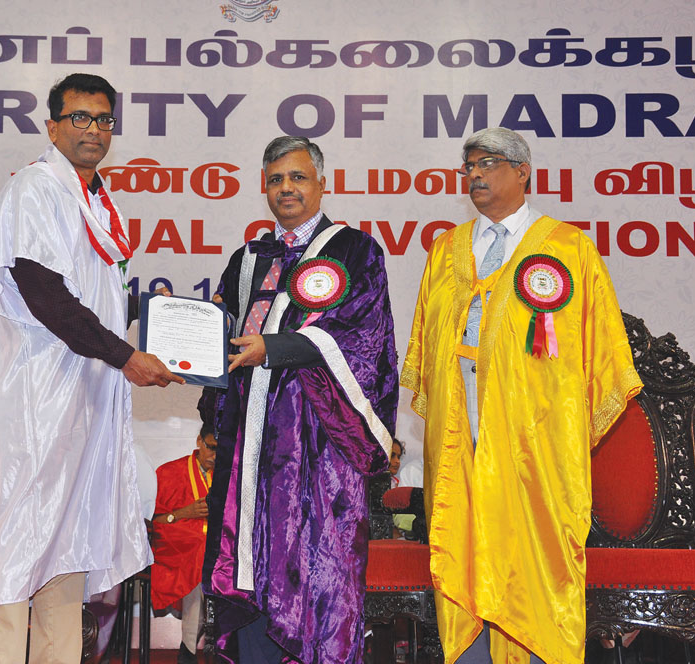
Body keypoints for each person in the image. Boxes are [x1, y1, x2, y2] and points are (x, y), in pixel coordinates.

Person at [401, 127, 642, 664]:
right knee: (462, 554)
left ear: (522, 171)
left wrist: (555, 435)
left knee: (536, 568)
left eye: (487, 163)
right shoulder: (445, 250)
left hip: (535, 451)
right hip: (462, 438)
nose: (475, 175)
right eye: (468, 166)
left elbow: (603, 361)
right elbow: (426, 348)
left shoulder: (568, 247)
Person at [0, 72, 182, 664]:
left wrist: (176, 326)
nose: (93, 130)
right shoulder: (35, 190)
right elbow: (43, 292)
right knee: (27, 532)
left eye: (103, 119)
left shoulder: (95, 198)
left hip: (85, 389)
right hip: (39, 389)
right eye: (80, 118)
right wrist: (126, 357)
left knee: (66, 536)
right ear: (53, 126)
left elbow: (98, 301)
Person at [202, 136, 398, 664]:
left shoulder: (354, 250)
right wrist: (205, 406)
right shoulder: (248, 260)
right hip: (251, 448)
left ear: (321, 184)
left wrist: (276, 348)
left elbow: (361, 337)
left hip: (317, 446)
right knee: (246, 560)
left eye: (297, 177)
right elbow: (222, 338)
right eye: (274, 180)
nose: (285, 188)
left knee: (317, 567)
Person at [151, 422, 218, 664]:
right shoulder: (169, 472)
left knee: (206, 556)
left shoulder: (228, 475)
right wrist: (184, 512)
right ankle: (189, 647)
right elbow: (153, 521)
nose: (214, 455)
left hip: (211, 550)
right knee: (199, 556)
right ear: (199, 441)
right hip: (175, 545)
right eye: (210, 447)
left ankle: (189, 649)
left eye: (220, 450)